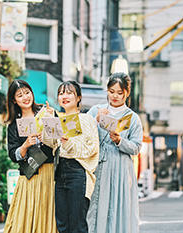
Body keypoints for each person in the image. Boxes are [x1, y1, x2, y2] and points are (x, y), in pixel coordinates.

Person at [87, 72, 143, 233]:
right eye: (112, 92)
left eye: (120, 93)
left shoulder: (132, 118)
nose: (115, 96)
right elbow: (82, 134)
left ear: (127, 93)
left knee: (118, 206)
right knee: (95, 207)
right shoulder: (96, 111)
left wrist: (120, 141)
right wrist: (95, 120)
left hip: (120, 168)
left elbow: (136, 147)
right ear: (107, 91)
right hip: (97, 166)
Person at [42, 81, 99, 233]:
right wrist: (48, 121)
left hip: (78, 172)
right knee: (62, 224)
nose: (64, 96)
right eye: (61, 93)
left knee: (77, 223)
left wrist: (68, 144)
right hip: (60, 171)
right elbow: (50, 144)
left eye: (69, 93)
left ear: (78, 97)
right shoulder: (58, 119)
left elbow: (91, 149)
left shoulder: (86, 119)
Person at [3, 80, 57, 233]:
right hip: (29, 175)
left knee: (47, 216)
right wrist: (25, 145)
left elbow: (59, 140)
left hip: (49, 174)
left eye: (27, 92)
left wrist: (51, 121)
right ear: (14, 100)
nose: (25, 97)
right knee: (24, 218)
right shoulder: (14, 125)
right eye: (20, 95)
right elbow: (13, 154)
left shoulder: (45, 112)